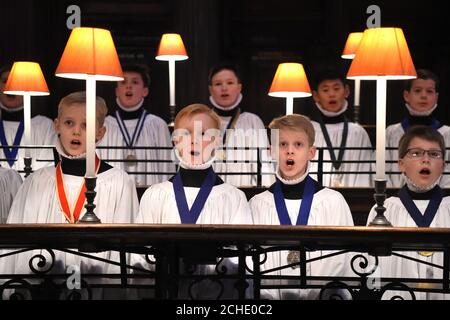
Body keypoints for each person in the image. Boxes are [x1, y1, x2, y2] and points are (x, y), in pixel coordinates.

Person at [1, 91, 139, 299]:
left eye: (86, 126)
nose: (76, 131)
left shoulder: (119, 182)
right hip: (43, 284)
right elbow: (16, 248)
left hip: (94, 284)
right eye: (69, 123)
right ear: (56, 126)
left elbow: (123, 252)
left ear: (100, 133)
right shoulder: (37, 181)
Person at [136, 103, 252, 299]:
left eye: (204, 134)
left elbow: (243, 260)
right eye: (187, 133)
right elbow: (140, 258)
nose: (194, 141)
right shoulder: (155, 195)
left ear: (216, 141)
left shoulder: (233, 198)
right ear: (175, 140)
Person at [249, 114, 354, 300]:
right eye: (282, 144)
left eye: (298, 144)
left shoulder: (333, 201)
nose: (290, 151)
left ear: (311, 152)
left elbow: (340, 260)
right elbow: (252, 261)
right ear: (271, 151)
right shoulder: (258, 204)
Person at [367, 126, 450, 300]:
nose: (425, 159)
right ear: (401, 164)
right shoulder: (385, 209)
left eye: (434, 154)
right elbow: (373, 268)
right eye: (416, 153)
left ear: (443, 165)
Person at [97, 64, 174, 187]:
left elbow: (167, 168)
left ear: (145, 91)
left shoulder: (158, 125)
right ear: (117, 91)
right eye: (123, 82)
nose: (128, 86)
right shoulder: (105, 125)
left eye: (135, 82)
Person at [207, 62, 274, 187]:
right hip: (209, 193)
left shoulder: (252, 121)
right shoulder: (203, 120)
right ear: (210, 89)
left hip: (244, 192)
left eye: (230, 83)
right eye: (218, 84)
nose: (224, 88)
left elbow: (263, 162)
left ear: (239, 87)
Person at [386, 69, 450, 188]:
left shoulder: (447, 133)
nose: (424, 96)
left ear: (436, 97)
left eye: (429, 91)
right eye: (418, 91)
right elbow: (383, 170)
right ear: (406, 95)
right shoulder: (391, 132)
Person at [309, 69, 373, 187]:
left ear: (346, 91)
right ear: (316, 95)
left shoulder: (358, 133)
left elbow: (364, 175)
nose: (332, 94)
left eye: (336, 88)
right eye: (325, 90)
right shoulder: (309, 130)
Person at [0, 64, 56, 174]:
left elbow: (48, 168)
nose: (10, 87)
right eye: (5, 81)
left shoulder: (44, 126)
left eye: (17, 81)